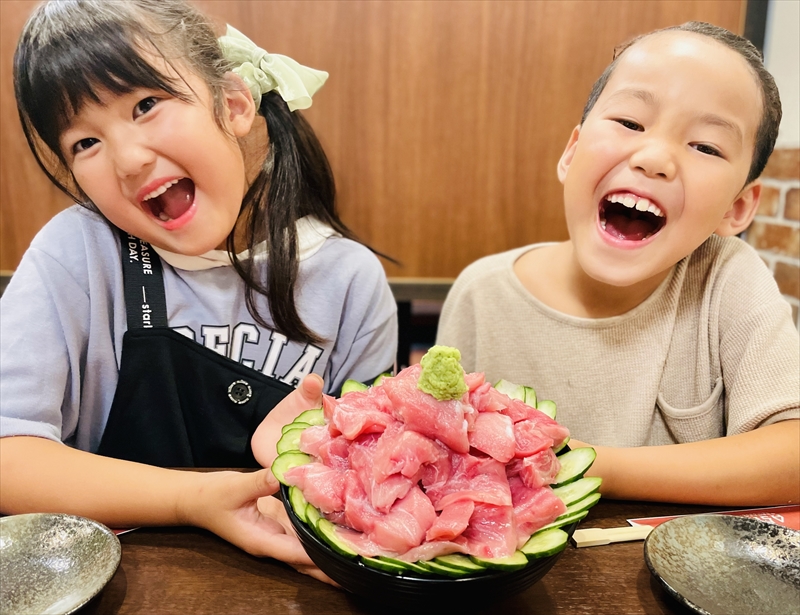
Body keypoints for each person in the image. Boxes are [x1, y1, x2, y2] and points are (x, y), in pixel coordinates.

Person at [0, 0, 398, 583]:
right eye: (84, 143)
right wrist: (197, 500)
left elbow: (378, 489)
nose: (129, 159)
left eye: (145, 104)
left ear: (234, 103)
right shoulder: (78, 253)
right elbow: (10, 457)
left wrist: (309, 462)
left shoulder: (349, 281)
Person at [436, 22, 800, 506]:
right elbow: (443, 463)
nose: (655, 158)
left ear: (737, 208)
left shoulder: (726, 279)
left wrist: (585, 463)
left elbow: (790, 457)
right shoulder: (481, 293)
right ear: (571, 152)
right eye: (630, 123)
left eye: (706, 146)